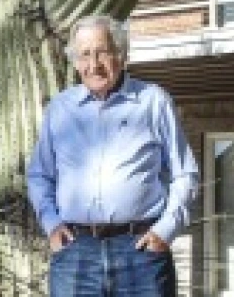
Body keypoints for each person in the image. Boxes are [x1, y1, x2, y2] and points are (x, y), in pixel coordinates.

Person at [27, 16, 199, 296]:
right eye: (84, 54)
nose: (93, 65)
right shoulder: (60, 109)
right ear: (74, 61)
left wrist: (166, 230)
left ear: (121, 54)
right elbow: (39, 175)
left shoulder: (153, 101)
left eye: (102, 52)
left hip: (140, 252)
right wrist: (51, 225)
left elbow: (185, 173)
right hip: (75, 252)